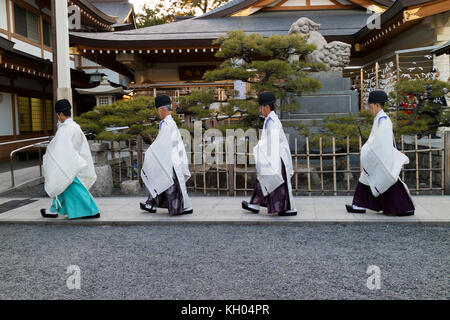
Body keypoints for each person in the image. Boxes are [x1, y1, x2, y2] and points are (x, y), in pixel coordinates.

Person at [346, 90, 415, 216]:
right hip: (379, 157)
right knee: (366, 178)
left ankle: (404, 208)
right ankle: (359, 204)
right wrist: (369, 147)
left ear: (377, 105)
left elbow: (380, 142)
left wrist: (367, 148)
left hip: (382, 159)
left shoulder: (383, 120)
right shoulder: (380, 119)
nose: (369, 109)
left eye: (370, 106)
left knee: (384, 182)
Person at [40, 99, 99, 219]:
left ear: (60, 114)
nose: (58, 117)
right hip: (75, 162)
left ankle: (91, 210)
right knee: (62, 186)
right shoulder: (75, 126)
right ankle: (53, 210)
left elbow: (59, 149)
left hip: (69, 164)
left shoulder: (64, 129)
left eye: (58, 115)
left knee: (69, 186)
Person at [242, 92, 297, 216]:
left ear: (266, 107)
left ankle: (287, 209)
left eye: (260, 107)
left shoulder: (272, 121)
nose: (260, 110)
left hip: (276, 158)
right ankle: (255, 205)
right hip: (274, 156)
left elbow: (272, 141)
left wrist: (258, 146)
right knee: (265, 180)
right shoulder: (270, 119)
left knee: (273, 182)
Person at [140, 94, 193, 216]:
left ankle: (182, 207)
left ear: (163, 109)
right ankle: (150, 204)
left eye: (158, 110)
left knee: (167, 183)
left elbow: (162, 143)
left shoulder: (167, 124)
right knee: (160, 180)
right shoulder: (169, 123)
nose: (158, 113)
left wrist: (150, 152)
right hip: (171, 159)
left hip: (171, 161)